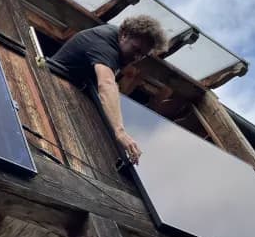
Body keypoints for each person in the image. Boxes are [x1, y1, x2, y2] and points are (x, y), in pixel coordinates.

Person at [50, 15, 167, 165]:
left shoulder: (116, 44)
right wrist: (120, 132)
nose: (137, 57)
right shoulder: (105, 45)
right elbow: (106, 84)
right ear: (124, 35)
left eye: (142, 55)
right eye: (136, 49)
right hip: (51, 84)